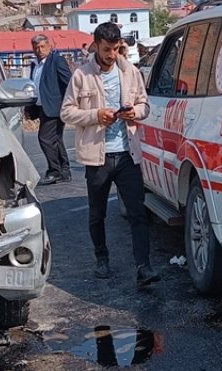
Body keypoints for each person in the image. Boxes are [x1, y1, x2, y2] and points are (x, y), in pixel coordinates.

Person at [60, 22, 159, 286]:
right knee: (97, 213)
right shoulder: (81, 75)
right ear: (95, 45)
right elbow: (66, 112)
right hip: (98, 157)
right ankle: (101, 258)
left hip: (128, 154)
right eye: (106, 49)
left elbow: (145, 105)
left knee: (138, 212)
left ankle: (144, 267)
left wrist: (133, 113)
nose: (111, 54)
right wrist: (95, 115)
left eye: (115, 49)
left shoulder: (131, 72)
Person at [28, 35, 73, 185]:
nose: (39, 50)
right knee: (56, 139)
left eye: (42, 47)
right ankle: (64, 171)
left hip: (55, 107)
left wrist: (70, 104)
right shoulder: (35, 64)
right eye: (36, 47)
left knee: (45, 138)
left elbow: (69, 82)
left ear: (49, 46)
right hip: (42, 108)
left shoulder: (56, 61)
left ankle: (55, 170)